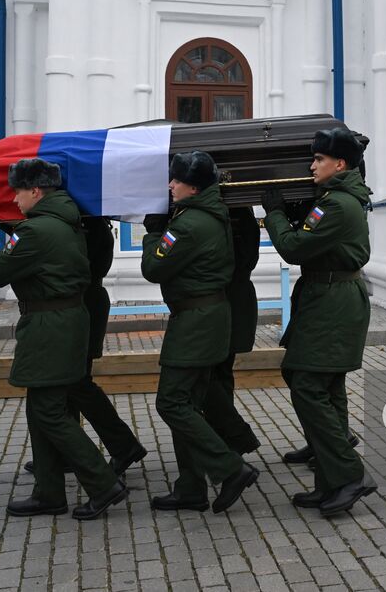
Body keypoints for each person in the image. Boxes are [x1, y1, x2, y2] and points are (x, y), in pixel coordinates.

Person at [0, 159, 126, 520]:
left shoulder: (36, 231)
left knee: (49, 411)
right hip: (62, 321)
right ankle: (49, 492)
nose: (14, 198)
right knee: (41, 407)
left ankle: (102, 484)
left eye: (18, 191)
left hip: (49, 325)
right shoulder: (66, 224)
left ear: (36, 191)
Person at [262, 127, 375, 516]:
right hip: (327, 296)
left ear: (339, 164)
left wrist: (275, 213)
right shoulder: (334, 199)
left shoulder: (337, 204)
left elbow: (293, 249)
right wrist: (296, 213)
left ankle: (349, 475)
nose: (311, 166)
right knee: (323, 385)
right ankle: (330, 481)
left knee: (308, 383)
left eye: (318, 160)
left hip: (333, 301)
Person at [141, 151, 259, 514]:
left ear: (193, 186)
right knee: (189, 403)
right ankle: (190, 487)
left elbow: (152, 268)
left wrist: (154, 233)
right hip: (207, 319)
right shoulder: (211, 215)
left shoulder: (189, 224)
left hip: (196, 323)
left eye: (175, 180)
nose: (170, 186)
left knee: (172, 402)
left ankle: (230, 468)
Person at [21, 216, 147, 479]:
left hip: (82, 305)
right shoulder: (88, 225)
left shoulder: (86, 228)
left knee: (76, 383)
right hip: (84, 304)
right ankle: (69, 452)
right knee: (71, 384)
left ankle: (122, 445)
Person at [201, 205, 264, 455]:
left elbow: (246, 258)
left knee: (210, 374)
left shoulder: (234, 216)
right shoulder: (242, 215)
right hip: (233, 298)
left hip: (226, 299)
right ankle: (226, 437)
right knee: (219, 373)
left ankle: (233, 436)